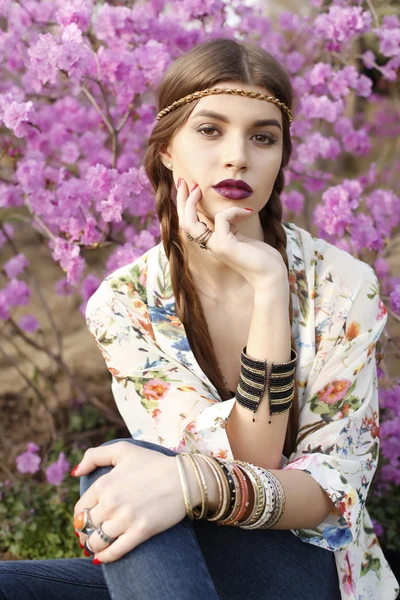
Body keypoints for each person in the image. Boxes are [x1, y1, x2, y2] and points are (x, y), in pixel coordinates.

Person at [0, 37, 398, 600]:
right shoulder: (125, 303)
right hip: (187, 563)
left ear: (282, 156)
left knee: (119, 471)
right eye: (210, 131)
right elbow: (231, 466)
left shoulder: (342, 286)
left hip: (311, 570)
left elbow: (328, 489)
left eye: (263, 137)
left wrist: (267, 284)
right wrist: (184, 481)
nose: (238, 156)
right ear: (166, 149)